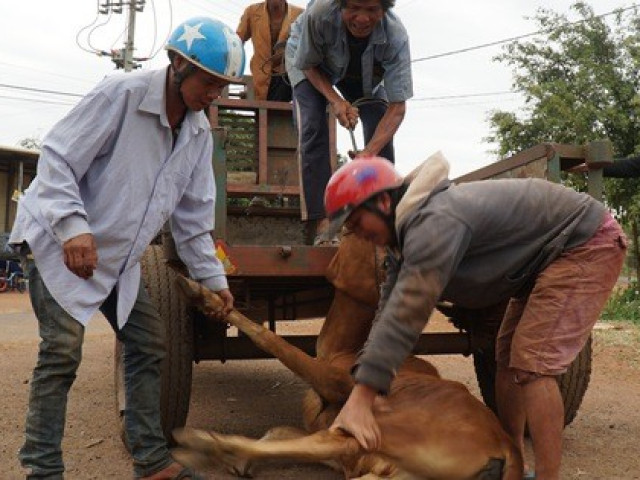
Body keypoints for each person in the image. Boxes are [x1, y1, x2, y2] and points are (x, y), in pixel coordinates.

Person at [9, 16, 245, 480]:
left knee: (148, 343)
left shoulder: (197, 133)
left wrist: (214, 281)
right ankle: (41, 468)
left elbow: (194, 220)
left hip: (116, 260)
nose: (214, 94)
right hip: (58, 242)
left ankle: (151, 459)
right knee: (61, 351)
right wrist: (74, 228)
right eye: (209, 81)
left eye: (223, 86)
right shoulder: (122, 94)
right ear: (178, 62)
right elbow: (57, 156)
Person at [322, 154, 627, 480]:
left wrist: (362, 398)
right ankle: (515, 464)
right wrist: (366, 388)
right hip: (548, 258)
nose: (356, 233)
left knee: (532, 364)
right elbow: (389, 309)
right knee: (507, 359)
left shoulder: (436, 221)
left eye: (355, 223)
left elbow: (408, 310)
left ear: (382, 201)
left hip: (584, 242)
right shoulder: (405, 237)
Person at [285, 0, 412, 244]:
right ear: (339, 5)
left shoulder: (397, 37)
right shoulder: (319, 15)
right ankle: (320, 222)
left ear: (384, 10)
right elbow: (308, 64)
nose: (362, 18)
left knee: (379, 127)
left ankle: (384, 219)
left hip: (363, 74)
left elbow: (397, 108)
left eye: (372, 10)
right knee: (312, 123)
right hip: (310, 63)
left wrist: (369, 153)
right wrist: (335, 100)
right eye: (354, 8)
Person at [236, 0, 304, 101]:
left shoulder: (300, 15)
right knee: (262, 110)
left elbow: (308, 45)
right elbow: (237, 41)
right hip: (261, 75)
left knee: (277, 111)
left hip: (287, 75)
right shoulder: (252, 12)